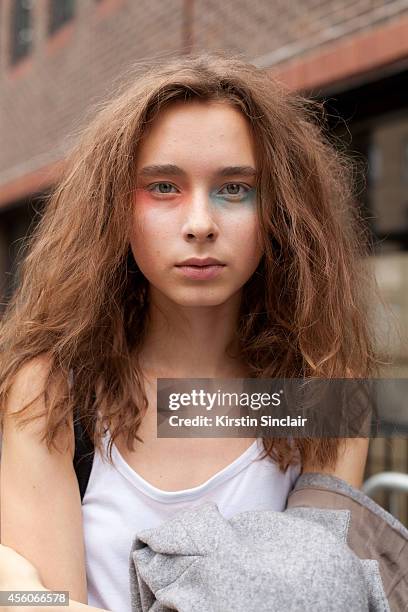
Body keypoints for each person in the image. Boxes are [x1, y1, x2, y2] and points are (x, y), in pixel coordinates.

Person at [0, 51, 385, 612]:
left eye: (234, 189)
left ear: (281, 210)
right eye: (162, 187)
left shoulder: (321, 384)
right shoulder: (50, 389)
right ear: (114, 208)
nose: (200, 224)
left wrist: (29, 595)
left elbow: (311, 595)